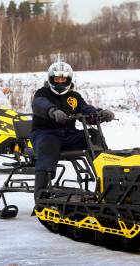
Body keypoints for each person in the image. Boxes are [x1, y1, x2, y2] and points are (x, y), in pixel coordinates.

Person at [30, 61, 115, 199]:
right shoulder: (42, 93)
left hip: (69, 135)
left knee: (93, 135)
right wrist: (52, 111)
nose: (60, 82)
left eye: (63, 79)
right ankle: (41, 195)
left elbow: (85, 109)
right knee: (48, 145)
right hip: (45, 133)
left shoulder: (74, 97)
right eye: (57, 79)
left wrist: (99, 114)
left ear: (69, 80)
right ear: (50, 79)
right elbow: (39, 104)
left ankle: (108, 176)